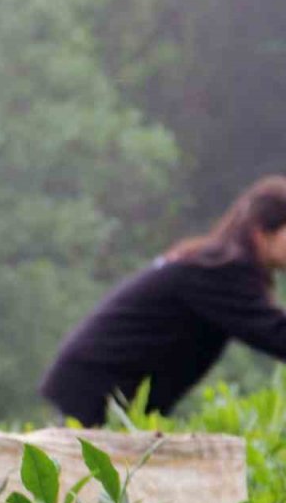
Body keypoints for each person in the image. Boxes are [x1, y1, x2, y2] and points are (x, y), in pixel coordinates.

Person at [41, 175, 286, 426]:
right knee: (89, 463)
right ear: (261, 233)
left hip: (95, 381)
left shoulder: (212, 262)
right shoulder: (221, 270)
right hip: (97, 385)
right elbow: (276, 334)